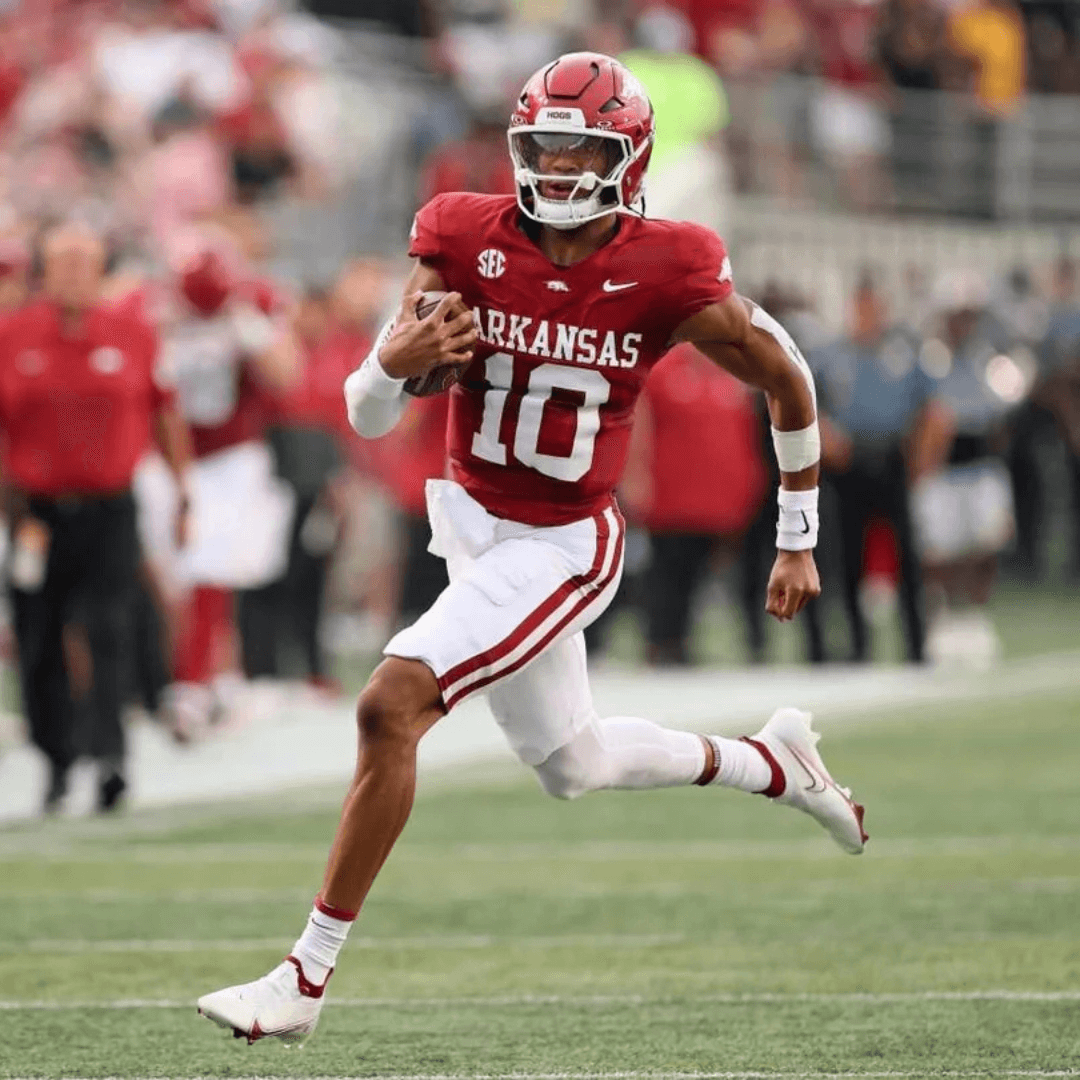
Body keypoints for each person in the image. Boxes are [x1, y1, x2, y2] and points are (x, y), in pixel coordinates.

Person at [197, 52, 867, 1045]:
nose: (555, 168)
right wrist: (392, 363)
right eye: (542, 147)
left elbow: (785, 375)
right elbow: (368, 414)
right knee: (573, 762)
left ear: (627, 158)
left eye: (578, 149)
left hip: (564, 542)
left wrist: (797, 534)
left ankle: (305, 977)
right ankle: (771, 763)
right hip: (473, 526)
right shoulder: (465, 235)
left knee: (391, 704)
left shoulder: (667, 263)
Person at [0, 222, 192, 812]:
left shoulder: (133, 332)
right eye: (64, 261)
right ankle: (55, 758)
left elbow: (164, 412)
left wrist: (184, 488)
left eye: (86, 260)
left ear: (102, 267)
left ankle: (111, 757)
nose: (75, 273)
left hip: (111, 509)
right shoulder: (13, 333)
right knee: (39, 635)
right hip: (35, 514)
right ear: (44, 269)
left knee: (109, 629)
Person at [811, 275, 935, 663]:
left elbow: (929, 407)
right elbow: (809, 403)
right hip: (850, 464)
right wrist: (826, 434)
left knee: (907, 560)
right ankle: (858, 648)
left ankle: (916, 646)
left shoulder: (903, 352)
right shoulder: (832, 355)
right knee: (849, 559)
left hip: (892, 458)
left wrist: (920, 459)